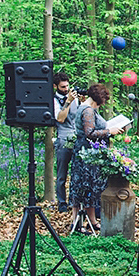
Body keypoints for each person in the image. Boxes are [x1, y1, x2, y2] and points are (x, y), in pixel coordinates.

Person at [68, 83, 126, 233]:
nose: (104, 103)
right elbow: (90, 133)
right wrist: (109, 131)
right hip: (87, 154)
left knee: (87, 187)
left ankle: (90, 221)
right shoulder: (88, 110)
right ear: (98, 99)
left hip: (86, 153)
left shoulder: (87, 108)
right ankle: (79, 223)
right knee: (87, 186)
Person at [52, 71, 81, 212]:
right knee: (61, 173)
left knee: (76, 172)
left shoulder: (74, 97)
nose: (65, 89)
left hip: (76, 137)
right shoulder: (54, 100)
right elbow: (60, 118)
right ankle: (62, 202)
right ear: (55, 86)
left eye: (67, 86)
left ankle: (74, 201)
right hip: (63, 138)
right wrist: (68, 101)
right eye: (62, 87)